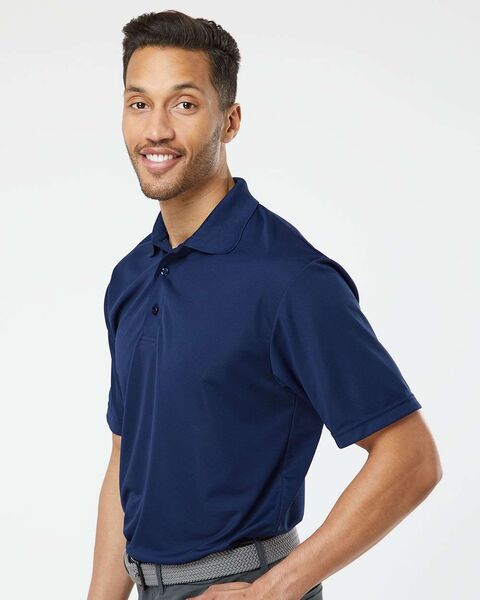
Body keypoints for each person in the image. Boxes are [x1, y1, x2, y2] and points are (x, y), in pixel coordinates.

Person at [87, 9, 443, 600]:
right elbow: (126, 459)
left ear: (229, 120)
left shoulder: (290, 279)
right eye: (139, 103)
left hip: (242, 585)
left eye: (184, 104)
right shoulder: (131, 276)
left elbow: (411, 457)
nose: (156, 130)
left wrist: (272, 591)